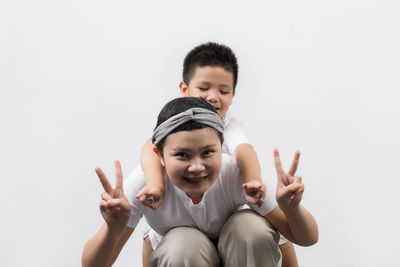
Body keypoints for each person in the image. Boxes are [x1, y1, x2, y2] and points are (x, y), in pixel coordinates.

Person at [82, 97, 318, 267]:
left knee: (250, 230)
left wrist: (292, 210)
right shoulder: (144, 186)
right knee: (182, 245)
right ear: (160, 155)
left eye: (207, 153)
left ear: (221, 146)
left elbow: (307, 238)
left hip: (241, 255)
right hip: (185, 258)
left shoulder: (235, 174)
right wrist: (112, 230)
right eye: (182, 155)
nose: (197, 167)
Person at [136, 42, 299, 266]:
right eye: (203, 89)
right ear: (184, 90)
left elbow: (244, 150)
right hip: (185, 227)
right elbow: (149, 148)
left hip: (230, 219)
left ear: (233, 95)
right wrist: (156, 185)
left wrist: (253, 181)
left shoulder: (230, 128)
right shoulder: (173, 128)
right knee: (156, 239)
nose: (213, 97)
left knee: (264, 229)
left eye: (223, 91)